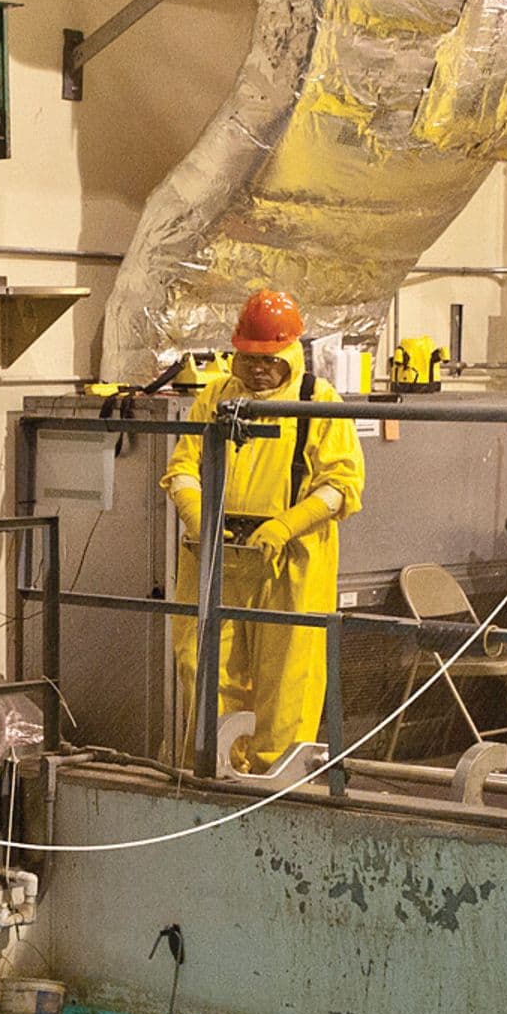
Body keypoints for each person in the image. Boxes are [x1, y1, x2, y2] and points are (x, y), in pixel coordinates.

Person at [161, 287, 365, 773]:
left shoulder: (319, 401)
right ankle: (219, 771)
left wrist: (286, 526)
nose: (256, 368)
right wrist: (197, 516)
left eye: (269, 358)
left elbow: (341, 485)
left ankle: (277, 782)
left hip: (290, 566)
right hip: (217, 556)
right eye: (248, 357)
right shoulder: (216, 397)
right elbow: (184, 467)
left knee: (286, 678)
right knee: (203, 664)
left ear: (290, 353)